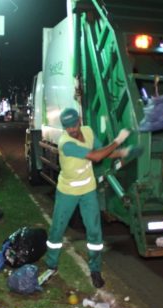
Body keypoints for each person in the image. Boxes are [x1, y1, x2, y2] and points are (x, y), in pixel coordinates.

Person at [44, 108, 130, 288]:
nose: (72, 130)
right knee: (57, 230)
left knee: (94, 230)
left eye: (74, 125)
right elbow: (96, 157)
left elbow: (102, 151)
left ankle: (95, 269)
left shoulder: (89, 132)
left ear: (79, 121)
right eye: (67, 127)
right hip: (67, 192)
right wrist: (118, 141)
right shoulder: (65, 143)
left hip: (88, 190)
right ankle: (51, 265)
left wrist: (121, 153)